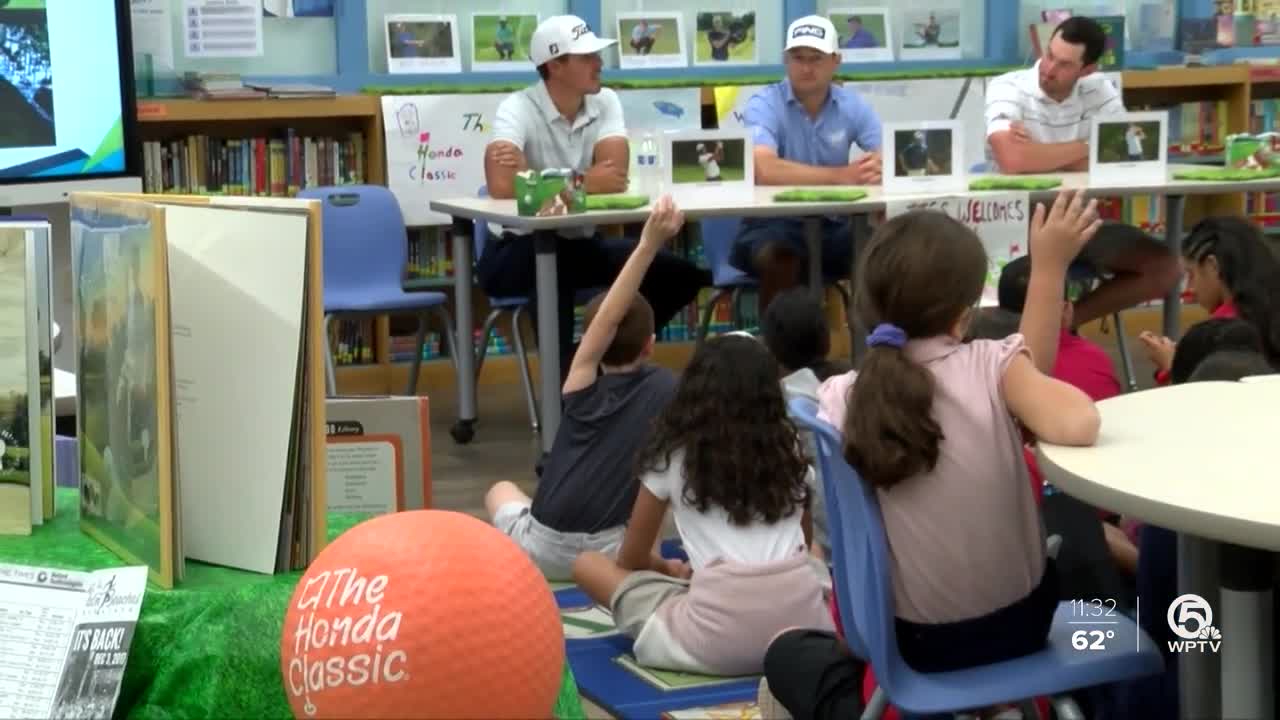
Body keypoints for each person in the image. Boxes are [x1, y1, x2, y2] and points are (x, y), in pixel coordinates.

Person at [762, 190, 1103, 718]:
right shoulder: (992, 366)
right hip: (1020, 633)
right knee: (1101, 614)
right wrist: (1049, 269)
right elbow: (1078, 420)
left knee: (786, 656)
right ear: (964, 316)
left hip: (915, 648)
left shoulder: (838, 398)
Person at [571, 332, 834, 676]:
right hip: (806, 630)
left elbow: (631, 558)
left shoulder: (672, 452)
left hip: (716, 642)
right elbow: (803, 541)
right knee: (808, 552)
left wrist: (670, 569)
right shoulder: (788, 447)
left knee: (587, 564)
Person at [483, 16, 709, 379]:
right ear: (555, 65)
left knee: (679, 274)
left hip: (578, 245)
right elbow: (502, 183)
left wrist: (537, 180)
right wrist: (587, 180)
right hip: (515, 250)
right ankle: (565, 397)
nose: (599, 63)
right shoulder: (517, 108)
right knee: (551, 271)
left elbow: (615, 177)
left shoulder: (605, 102)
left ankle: (596, 361)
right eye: (586, 57)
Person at [484, 196, 684, 580]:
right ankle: (650, 570)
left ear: (587, 342)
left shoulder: (580, 382)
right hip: (613, 552)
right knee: (657, 480)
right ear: (651, 344)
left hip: (541, 547)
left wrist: (647, 245)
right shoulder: (668, 388)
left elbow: (607, 321)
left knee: (500, 490)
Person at [984, 17, 1181, 330]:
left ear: (1087, 70)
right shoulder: (1008, 87)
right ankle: (1023, 337)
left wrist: (1041, 152)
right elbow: (1013, 158)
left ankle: (1063, 324)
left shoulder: (1099, 90)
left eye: (1063, 64)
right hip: (1017, 225)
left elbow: (1123, 158)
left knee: (1166, 267)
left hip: (1081, 222)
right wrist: (1089, 146)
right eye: (1049, 55)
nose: (1048, 69)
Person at [734, 15, 883, 312]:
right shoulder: (763, 104)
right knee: (779, 258)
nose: (806, 67)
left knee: (886, 250)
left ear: (835, 61)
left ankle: (875, 349)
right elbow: (765, 169)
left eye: (816, 58)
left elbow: (887, 155)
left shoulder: (852, 105)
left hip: (835, 226)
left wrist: (878, 166)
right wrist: (843, 176)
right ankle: (781, 356)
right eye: (797, 58)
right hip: (771, 225)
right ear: (786, 60)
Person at [760, 288, 847, 561]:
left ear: (770, 348)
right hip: (858, 538)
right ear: (825, 340)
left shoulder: (774, 406)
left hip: (809, 545)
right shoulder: (850, 387)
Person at [1139, 216, 1280, 382]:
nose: (1190, 288)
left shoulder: (1221, 335)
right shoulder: (1268, 311)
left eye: (1191, 274)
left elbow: (1200, 399)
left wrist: (1171, 366)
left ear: (1212, 266)